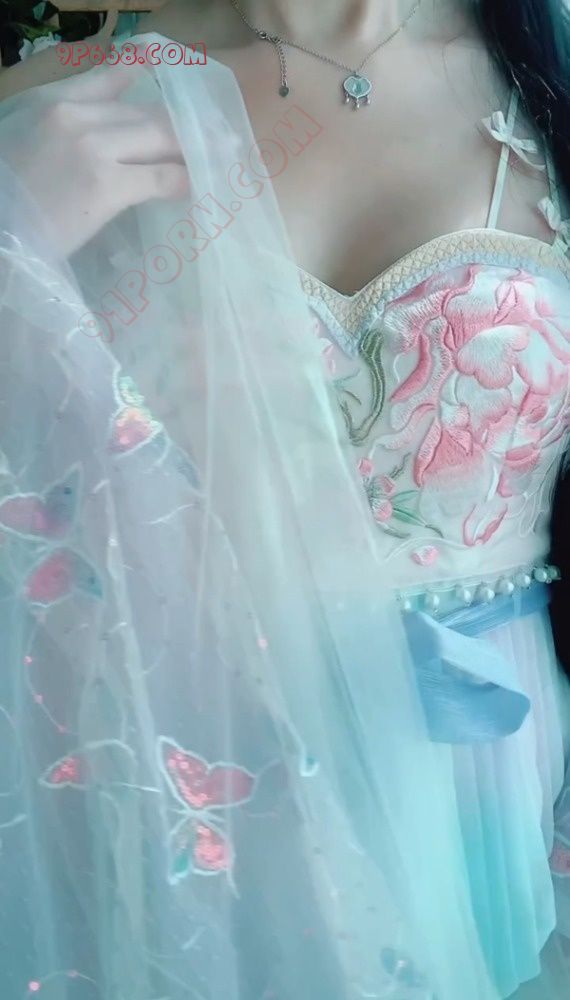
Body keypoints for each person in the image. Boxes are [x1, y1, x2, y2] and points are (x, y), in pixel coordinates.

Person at [0, 2, 569, 998]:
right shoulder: (62, 102)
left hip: (505, 763)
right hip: (221, 762)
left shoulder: (547, 68)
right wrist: (11, 253)